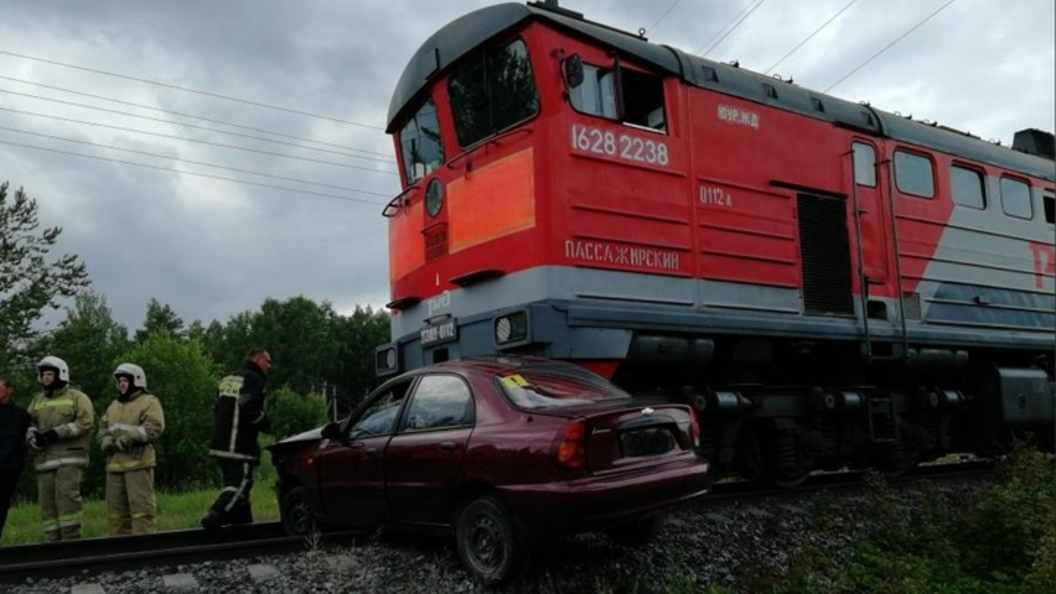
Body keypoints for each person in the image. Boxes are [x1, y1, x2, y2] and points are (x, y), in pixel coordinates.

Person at [201, 349, 272, 531]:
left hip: (220, 443)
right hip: (239, 445)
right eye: (267, 361)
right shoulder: (254, 379)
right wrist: (265, 423)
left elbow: (218, 406)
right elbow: (248, 405)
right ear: (256, 359)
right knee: (241, 484)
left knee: (234, 488)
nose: (269, 366)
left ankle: (243, 530)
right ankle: (216, 514)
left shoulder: (229, 378)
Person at [26, 356, 94, 541]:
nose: (46, 378)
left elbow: (85, 422)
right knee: (47, 507)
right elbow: (28, 423)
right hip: (44, 462)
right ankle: (52, 545)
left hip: (69, 460)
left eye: (50, 374)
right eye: (44, 374)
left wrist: (56, 433)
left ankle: (71, 543)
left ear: (61, 374)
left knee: (67, 503)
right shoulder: (37, 400)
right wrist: (32, 438)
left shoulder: (77, 397)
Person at [99, 363, 165, 535]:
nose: (121, 384)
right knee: (116, 516)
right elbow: (103, 427)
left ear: (136, 381)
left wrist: (129, 438)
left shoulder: (149, 402)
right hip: (114, 467)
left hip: (138, 464)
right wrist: (105, 440)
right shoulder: (114, 405)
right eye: (119, 381)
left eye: (125, 380)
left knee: (142, 513)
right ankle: (119, 553)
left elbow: (154, 427)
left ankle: (144, 551)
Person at [0, 375, 31, 539]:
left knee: (2, 505)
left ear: (9, 390)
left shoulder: (20, 414)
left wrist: (17, 464)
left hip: (9, 469)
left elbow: (24, 441)